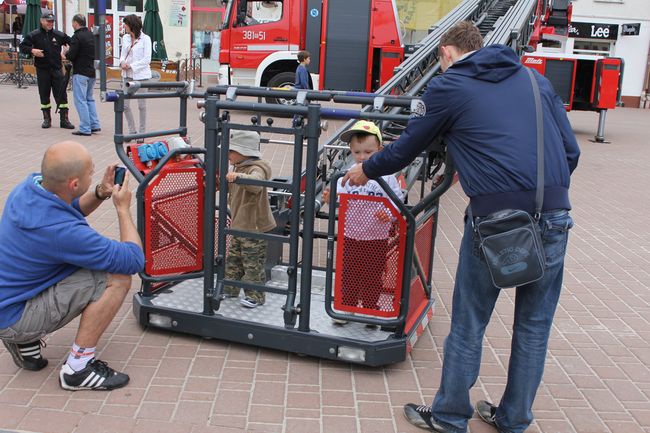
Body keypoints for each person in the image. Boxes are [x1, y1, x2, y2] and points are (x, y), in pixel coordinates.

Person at [342, 21, 580, 433]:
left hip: (497, 219)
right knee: (534, 325)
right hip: (555, 214)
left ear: (447, 54)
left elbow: (406, 148)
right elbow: (571, 151)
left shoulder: (450, 87)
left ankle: (451, 417)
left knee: (471, 322)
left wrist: (366, 169)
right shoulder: (533, 80)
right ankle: (514, 417)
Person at [0, 141, 145, 391]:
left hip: (9, 301)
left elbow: (69, 208)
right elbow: (133, 259)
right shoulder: (61, 232)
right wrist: (123, 209)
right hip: (15, 318)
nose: (93, 174)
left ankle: (27, 346)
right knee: (116, 277)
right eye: (91, 172)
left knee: (71, 267)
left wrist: (100, 191)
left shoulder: (28, 188)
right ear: (74, 184)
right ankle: (78, 369)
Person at [323, 121, 403, 320]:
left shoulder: (386, 176)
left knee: (372, 276)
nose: (362, 157)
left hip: (376, 237)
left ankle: (370, 308)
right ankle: (346, 306)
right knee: (348, 273)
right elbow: (339, 199)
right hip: (350, 234)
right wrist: (330, 198)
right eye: (357, 152)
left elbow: (397, 200)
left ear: (380, 149)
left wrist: (389, 212)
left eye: (368, 152)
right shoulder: (347, 175)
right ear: (351, 151)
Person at [222, 130, 276, 308]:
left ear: (244, 152)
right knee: (234, 260)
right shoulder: (238, 166)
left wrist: (239, 177)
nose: (228, 154)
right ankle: (230, 290)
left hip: (254, 227)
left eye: (231, 151)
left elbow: (255, 184)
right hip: (240, 224)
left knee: (252, 263)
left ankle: (256, 296)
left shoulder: (256, 168)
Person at [19, 13, 75, 130]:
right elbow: (22, 47)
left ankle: (64, 120)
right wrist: (32, 50)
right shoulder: (34, 35)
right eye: (48, 21)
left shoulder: (59, 35)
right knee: (44, 94)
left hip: (56, 69)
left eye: (52, 21)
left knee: (62, 95)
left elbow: (73, 43)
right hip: (42, 70)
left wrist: (67, 52)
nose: (50, 23)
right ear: (41, 21)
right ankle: (46, 119)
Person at [64, 14, 101, 137]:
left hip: (80, 72)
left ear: (75, 23)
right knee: (90, 98)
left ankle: (85, 127)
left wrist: (65, 53)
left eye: (72, 23)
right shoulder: (92, 35)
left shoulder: (76, 37)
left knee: (80, 100)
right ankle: (94, 124)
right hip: (92, 72)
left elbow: (71, 56)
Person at [119, 14, 152, 141]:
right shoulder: (126, 38)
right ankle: (132, 130)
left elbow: (147, 59)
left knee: (141, 106)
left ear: (131, 25)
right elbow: (122, 54)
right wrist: (122, 62)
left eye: (126, 24)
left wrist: (131, 66)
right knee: (125, 105)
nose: (124, 26)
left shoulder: (146, 39)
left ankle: (141, 134)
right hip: (127, 76)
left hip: (141, 76)